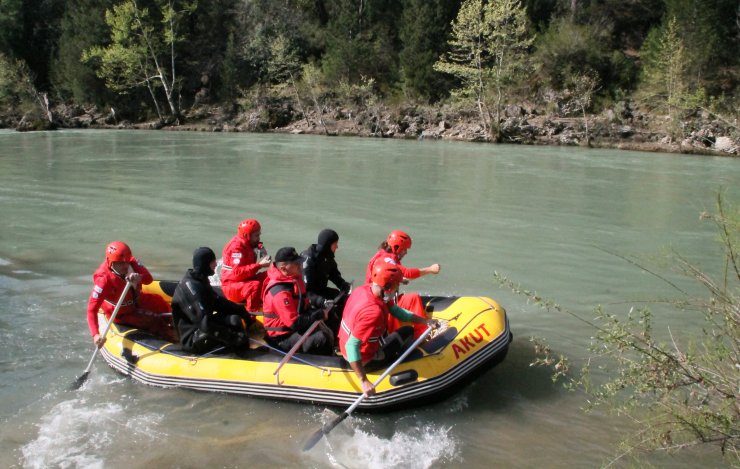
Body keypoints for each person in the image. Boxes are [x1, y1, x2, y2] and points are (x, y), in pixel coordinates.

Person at [339, 260, 439, 396]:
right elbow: (352, 346)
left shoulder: (363, 290)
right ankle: (407, 364)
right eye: (397, 285)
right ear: (388, 286)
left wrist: (424, 321)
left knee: (400, 330)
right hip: (364, 359)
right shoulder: (373, 313)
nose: (398, 288)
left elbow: (397, 312)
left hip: (343, 345)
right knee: (408, 331)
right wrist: (363, 380)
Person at [86, 241, 175, 348]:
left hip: (136, 301)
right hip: (121, 313)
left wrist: (139, 278)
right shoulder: (103, 280)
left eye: (126, 262)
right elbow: (92, 310)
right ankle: (174, 342)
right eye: (120, 263)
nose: (124, 266)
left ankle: (177, 326)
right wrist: (95, 335)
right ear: (111, 263)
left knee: (160, 303)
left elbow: (148, 280)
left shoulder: (131, 262)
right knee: (152, 320)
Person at [171, 247, 251, 354]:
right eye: (212, 262)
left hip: (203, 328)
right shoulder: (191, 287)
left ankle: (243, 349)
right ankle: (241, 353)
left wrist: (243, 312)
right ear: (204, 264)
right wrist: (233, 337)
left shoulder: (200, 281)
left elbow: (218, 302)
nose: (216, 265)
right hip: (192, 338)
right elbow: (205, 324)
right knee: (233, 325)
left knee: (234, 319)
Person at [365, 230, 441, 338]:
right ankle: (422, 333)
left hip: (379, 300)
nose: (406, 253)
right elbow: (408, 273)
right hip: (382, 304)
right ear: (397, 248)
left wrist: (399, 279)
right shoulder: (387, 259)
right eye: (405, 249)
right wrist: (430, 269)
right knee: (413, 298)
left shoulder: (382, 255)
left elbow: (385, 276)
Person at [262, 247, 333, 355]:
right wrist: (318, 314)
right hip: (281, 338)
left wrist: (319, 303)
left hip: (293, 328)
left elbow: (303, 299)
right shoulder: (280, 293)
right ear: (284, 268)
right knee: (320, 338)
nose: (300, 265)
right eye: (296, 263)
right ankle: (323, 361)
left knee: (329, 323)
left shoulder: (293, 279)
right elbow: (294, 323)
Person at [301, 228, 352, 334]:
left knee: (343, 299)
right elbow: (305, 291)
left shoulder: (327, 257)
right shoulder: (308, 260)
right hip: (308, 296)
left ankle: (346, 328)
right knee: (332, 311)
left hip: (320, 290)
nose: (337, 247)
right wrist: (321, 301)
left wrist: (343, 284)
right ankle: (334, 334)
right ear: (328, 244)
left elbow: (334, 274)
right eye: (335, 244)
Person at [221, 219, 271, 312]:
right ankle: (252, 313)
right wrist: (259, 265)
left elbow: (252, 246)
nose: (259, 238)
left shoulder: (250, 243)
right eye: (256, 235)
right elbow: (237, 273)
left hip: (245, 280)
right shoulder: (236, 248)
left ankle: (268, 302)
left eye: (259, 234)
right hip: (231, 285)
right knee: (254, 286)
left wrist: (260, 247)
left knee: (271, 274)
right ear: (246, 235)